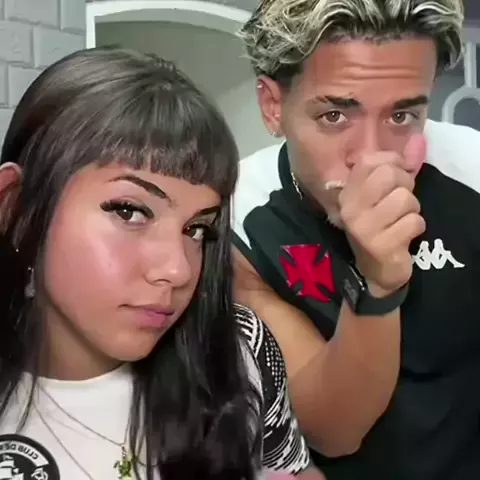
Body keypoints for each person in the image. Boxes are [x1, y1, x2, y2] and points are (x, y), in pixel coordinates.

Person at [0, 47, 322, 480]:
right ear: (16, 210)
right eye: (129, 211)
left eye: (197, 229)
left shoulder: (239, 350)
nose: (178, 270)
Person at [231, 0, 480, 479]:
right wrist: (378, 286)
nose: (371, 157)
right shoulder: (240, 218)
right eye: (334, 116)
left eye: (402, 116)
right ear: (273, 106)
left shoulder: (472, 172)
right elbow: (335, 431)